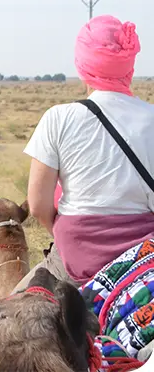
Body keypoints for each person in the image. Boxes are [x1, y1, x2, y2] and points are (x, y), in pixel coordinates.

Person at [17, 16, 154, 290]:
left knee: (3, 318)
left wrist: (61, 234)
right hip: (143, 259)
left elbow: (37, 206)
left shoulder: (58, 118)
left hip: (74, 259)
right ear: (129, 65)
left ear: (82, 67)